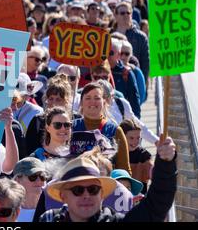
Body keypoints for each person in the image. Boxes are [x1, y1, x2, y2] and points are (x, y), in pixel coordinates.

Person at [39, 136, 176, 222]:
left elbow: (156, 206)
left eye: (93, 189)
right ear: (63, 196)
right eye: (77, 190)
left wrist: (165, 163)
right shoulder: (48, 219)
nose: (86, 195)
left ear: (102, 193)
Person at [73, 82, 131, 173]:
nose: (92, 102)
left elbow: (124, 169)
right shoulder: (70, 128)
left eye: (97, 98)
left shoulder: (115, 130)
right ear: (81, 103)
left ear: (104, 102)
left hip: (106, 184)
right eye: (88, 98)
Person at [111, 1, 149, 84]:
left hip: (133, 80)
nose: (126, 15)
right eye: (122, 13)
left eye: (128, 13)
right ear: (116, 15)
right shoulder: (108, 35)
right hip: (112, 79)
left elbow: (145, 64)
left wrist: (143, 83)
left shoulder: (141, 37)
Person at [108, 38, 141, 118]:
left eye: (110, 53)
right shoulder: (96, 71)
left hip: (120, 119)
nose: (107, 55)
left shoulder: (126, 73)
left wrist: (135, 125)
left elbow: (134, 102)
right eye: (104, 52)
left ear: (118, 55)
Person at [120, 119, 153, 194]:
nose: (135, 142)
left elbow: (155, 176)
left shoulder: (144, 156)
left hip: (138, 199)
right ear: (122, 137)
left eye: (138, 138)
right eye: (131, 138)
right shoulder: (115, 155)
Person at [13, 157, 47, 222]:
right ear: (17, 180)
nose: (39, 181)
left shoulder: (52, 209)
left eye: (42, 176)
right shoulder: (7, 211)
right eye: (33, 176)